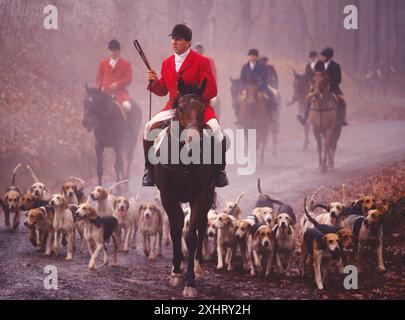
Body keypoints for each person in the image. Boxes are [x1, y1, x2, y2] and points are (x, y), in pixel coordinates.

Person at [142, 24, 229, 187]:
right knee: (148, 127)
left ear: (188, 43)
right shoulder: (167, 63)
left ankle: (219, 171)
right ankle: (149, 170)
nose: (174, 42)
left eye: (179, 39)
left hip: (197, 108)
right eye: (173, 39)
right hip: (173, 108)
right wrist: (153, 82)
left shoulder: (201, 61)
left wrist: (192, 101)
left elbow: (212, 88)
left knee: (216, 130)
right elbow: (162, 90)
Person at [298, 47, 348, 126]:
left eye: (323, 56)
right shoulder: (319, 64)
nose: (321, 57)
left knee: (342, 100)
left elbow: (338, 79)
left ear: (328, 57)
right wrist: (313, 82)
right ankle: (305, 118)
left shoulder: (336, 66)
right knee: (309, 98)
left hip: (333, 88)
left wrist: (329, 85)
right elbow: (315, 75)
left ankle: (343, 118)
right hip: (319, 87)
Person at [96, 39, 133, 112]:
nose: (113, 53)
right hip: (105, 93)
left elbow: (128, 79)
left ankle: (128, 123)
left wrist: (117, 84)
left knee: (126, 106)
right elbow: (98, 78)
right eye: (111, 51)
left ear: (119, 51)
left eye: (115, 51)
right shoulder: (103, 63)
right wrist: (100, 87)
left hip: (120, 93)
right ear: (108, 51)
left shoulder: (126, 64)